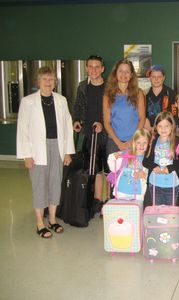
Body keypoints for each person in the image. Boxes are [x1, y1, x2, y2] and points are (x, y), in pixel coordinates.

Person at [16, 66, 74, 238]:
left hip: (57, 146)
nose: (48, 82)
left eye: (51, 79)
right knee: (39, 185)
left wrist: (68, 152)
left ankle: (53, 220)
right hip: (36, 150)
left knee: (55, 183)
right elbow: (22, 130)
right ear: (38, 82)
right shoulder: (27, 102)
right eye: (44, 79)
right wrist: (27, 155)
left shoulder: (61, 100)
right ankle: (40, 222)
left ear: (55, 82)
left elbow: (67, 128)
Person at [73, 54, 109, 209]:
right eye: (90, 66)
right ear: (86, 68)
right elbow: (78, 107)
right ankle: (95, 201)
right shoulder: (82, 86)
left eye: (97, 67)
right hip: (89, 135)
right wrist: (76, 121)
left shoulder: (110, 87)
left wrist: (102, 124)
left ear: (102, 69)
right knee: (92, 171)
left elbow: (114, 110)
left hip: (108, 134)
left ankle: (107, 201)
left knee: (107, 171)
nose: (93, 70)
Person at [143, 112, 179, 206]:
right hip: (154, 185)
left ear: (172, 126)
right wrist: (154, 167)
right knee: (156, 214)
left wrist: (169, 168)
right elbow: (145, 161)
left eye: (166, 126)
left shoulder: (177, 143)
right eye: (160, 126)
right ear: (155, 127)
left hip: (172, 186)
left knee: (170, 216)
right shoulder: (152, 141)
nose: (163, 129)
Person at [103, 59, 146, 156]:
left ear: (131, 75)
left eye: (127, 72)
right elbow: (107, 122)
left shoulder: (138, 93)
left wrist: (133, 140)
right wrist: (118, 142)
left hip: (135, 142)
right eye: (120, 71)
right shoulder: (108, 95)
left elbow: (142, 119)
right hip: (114, 143)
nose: (124, 74)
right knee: (116, 171)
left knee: (134, 171)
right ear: (115, 73)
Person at [107, 128, 151, 201]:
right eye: (138, 142)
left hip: (137, 195)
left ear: (149, 143)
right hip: (121, 192)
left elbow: (150, 176)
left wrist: (145, 175)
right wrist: (113, 157)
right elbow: (113, 168)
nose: (142, 145)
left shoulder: (148, 159)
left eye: (145, 143)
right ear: (134, 142)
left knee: (135, 212)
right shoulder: (125, 154)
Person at [144, 64, 176, 129]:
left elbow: (174, 114)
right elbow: (141, 114)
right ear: (149, 78)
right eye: (153, 77)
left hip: (165, 130)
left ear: (163, 78)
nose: (156, 79)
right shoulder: (144, 94)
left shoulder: (170, 93)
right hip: (148, 130)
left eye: (159, 76)